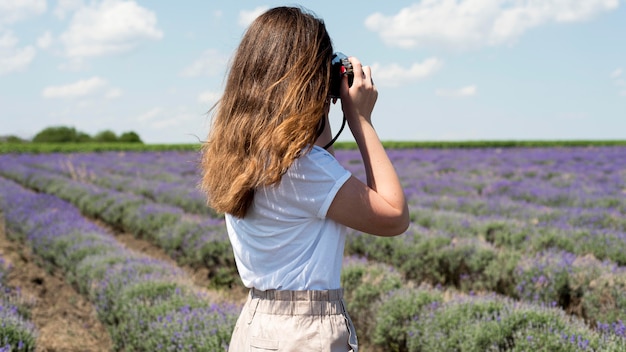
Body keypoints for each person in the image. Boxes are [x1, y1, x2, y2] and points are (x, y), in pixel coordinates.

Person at [200, 6, 409, 352]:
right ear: (308, 82)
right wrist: (361, 121)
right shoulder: (301, 169)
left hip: (257, 323)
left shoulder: (243, 158)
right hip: (304, 332)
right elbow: (394, 216)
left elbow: (317, 152)